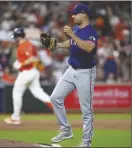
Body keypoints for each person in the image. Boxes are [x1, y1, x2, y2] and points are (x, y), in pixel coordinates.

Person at [40, 4, 98, 147]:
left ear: (84, 15)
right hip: (71, 70)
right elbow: (72, 43)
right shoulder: (77, 29)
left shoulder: (91, 31)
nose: (72, 16)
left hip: (86, 72)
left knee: (86, 110)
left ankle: (86, 142)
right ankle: (66, 129)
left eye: (75, 13)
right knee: (55, 97)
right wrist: (57, 45)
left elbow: (89, 47)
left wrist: (72, 34)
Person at [4, 28, 52, 125]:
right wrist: (21, 62)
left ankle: (15, 118)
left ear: (18, 37)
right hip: (32, 72)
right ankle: (55, 104)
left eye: (15, 37)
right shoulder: (30, 44)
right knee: (38, 93)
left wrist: (21, 64)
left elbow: (32, 58)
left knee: (16, 93)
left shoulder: (24, 45)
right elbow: (36, 57)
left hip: (27, 72)